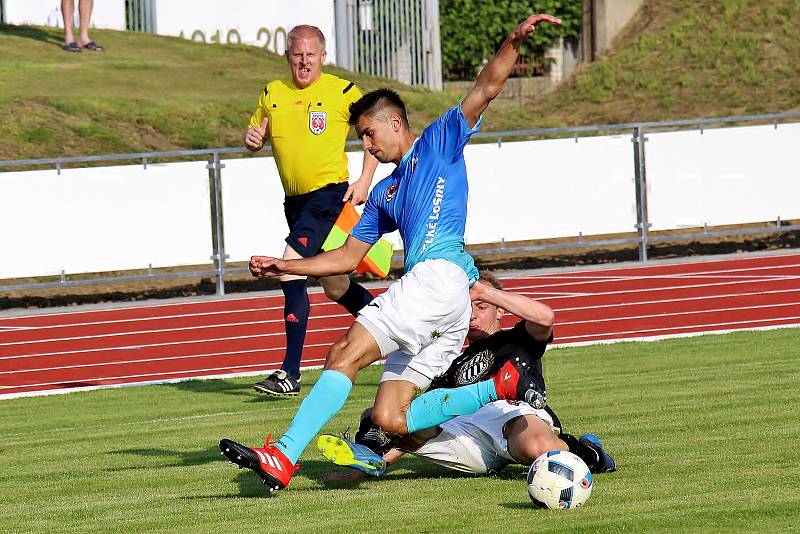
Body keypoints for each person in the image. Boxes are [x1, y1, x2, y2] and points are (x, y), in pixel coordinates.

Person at [219, 14, 563, 492]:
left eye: (367, 133)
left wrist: (511, 41)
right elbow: (343, 258)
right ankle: (497, 388)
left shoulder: (439, 142)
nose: (365, 144)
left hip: (436, 279)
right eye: (360, 136)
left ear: (393, 122)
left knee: (344, 353)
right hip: (450, 302)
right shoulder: (385, 193)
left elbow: (486, 87)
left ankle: (284, 455)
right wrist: (286, 265)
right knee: (390, 415)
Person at [318, 272, 616, 481]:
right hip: (465, 434)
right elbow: (409, 421)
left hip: (513, 415)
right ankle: (367, 460)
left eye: (483, 307)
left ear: (500, 311)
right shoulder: (446, 357)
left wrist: (485, 290)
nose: (473, 315)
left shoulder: (517, 340)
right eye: (468, 308)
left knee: (535, 449)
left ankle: (587, 451)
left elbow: (545, 317)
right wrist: (366, 469)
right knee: (377, 416)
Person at [244, 25, 380, 397]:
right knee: (335, 284)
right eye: (297, 54)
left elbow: (374, 133)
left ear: (323, 56)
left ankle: (290, 372)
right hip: (296, 201)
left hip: (329, 195)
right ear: (288, 56)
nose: (304, 61)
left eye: (310, 54)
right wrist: (252, 139)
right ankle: (395, 332)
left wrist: (365, 180)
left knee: (289, 269)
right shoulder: (273, 92)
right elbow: (257, 133)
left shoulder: (342, 91)